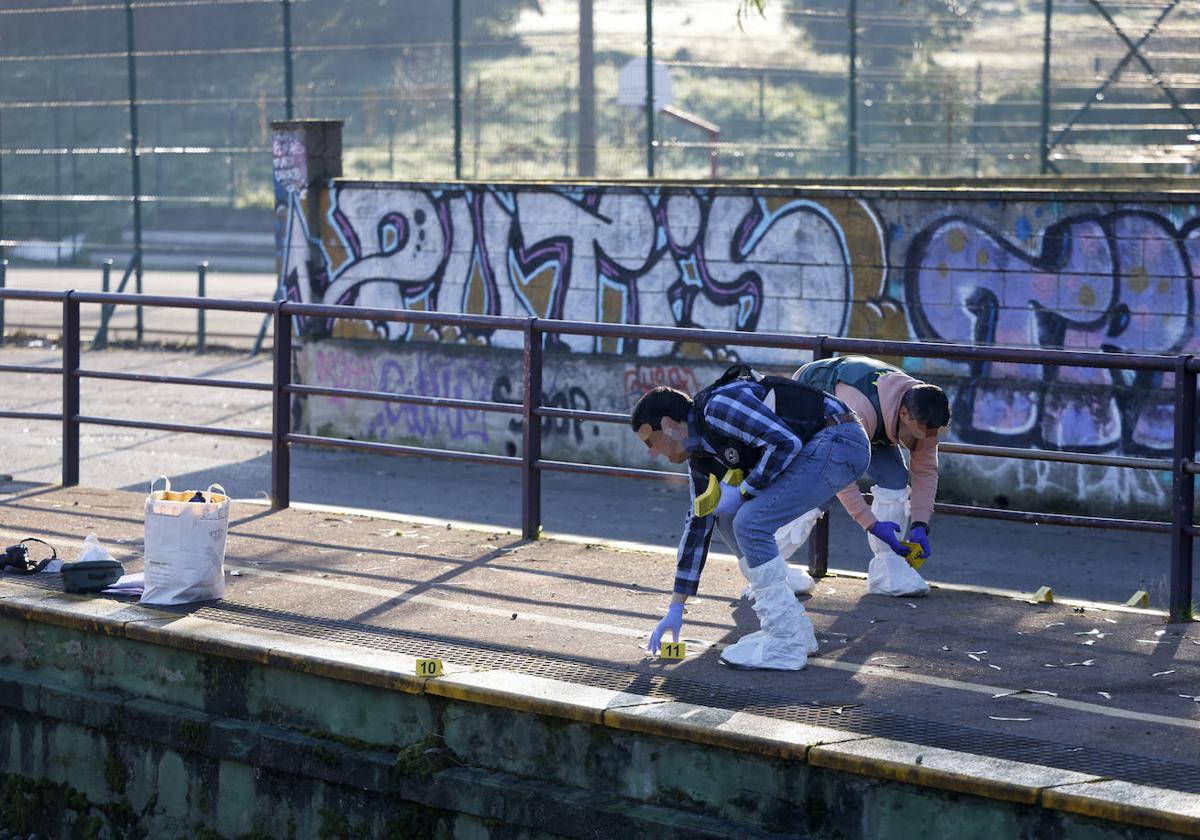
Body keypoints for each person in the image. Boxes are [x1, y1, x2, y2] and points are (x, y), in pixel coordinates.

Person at [630, 364, 870, 671]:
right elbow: (698, 523)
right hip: (824, 448)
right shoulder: (701, 456)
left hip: (839, 440)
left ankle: (784, 641)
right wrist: (675, 608)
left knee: (749, 522)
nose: (651, 452)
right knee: (727, 520)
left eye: (650, 441)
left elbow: (785, 443)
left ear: (667, 423)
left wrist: (744, 492)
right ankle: (794, 632)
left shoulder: (717, 407)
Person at [786, 355, 951, 597]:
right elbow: (837, 474)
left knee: (895, 477)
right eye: (919, 435)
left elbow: (925, 472)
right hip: (812, 402)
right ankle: (766, 568)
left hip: (873, 418)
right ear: (904, 414)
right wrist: (871, 524)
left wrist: (920, 524)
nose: (924, 442)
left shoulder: (925, 419)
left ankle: (888, 570)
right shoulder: (859, 411)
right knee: (819, 490)